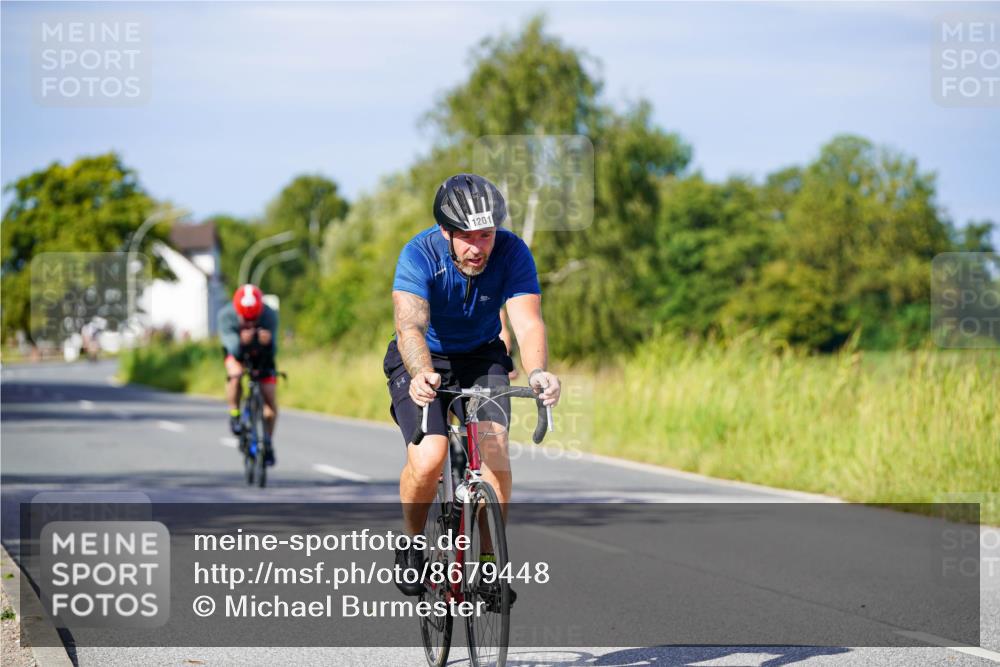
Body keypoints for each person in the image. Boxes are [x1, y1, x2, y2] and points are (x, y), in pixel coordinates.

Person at [384, 174, 561, 598]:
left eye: (486, 235)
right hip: (424, 356)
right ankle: (410, 544)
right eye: (467, 237)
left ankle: (487, 564)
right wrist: (423, 371)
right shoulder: (419, 254)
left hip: (482, 355)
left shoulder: (513, 252)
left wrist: (537, 371)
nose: (478, 248)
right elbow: (410, 325)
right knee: (430, 458)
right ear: (445, 231)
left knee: (494, 448)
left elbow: (527, 321)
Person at [217, 284, 280, 466]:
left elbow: (274, 350)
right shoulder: (226, 316)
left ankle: (267, 441)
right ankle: (235, 414)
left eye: (255, 319)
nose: (251, 323)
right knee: (235, 374)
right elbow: (233, 349)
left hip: (262, 356)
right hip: (237, 354)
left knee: (269, 397)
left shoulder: (269, 315)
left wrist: (267, 343)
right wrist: (241, 340)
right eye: (246, 319)